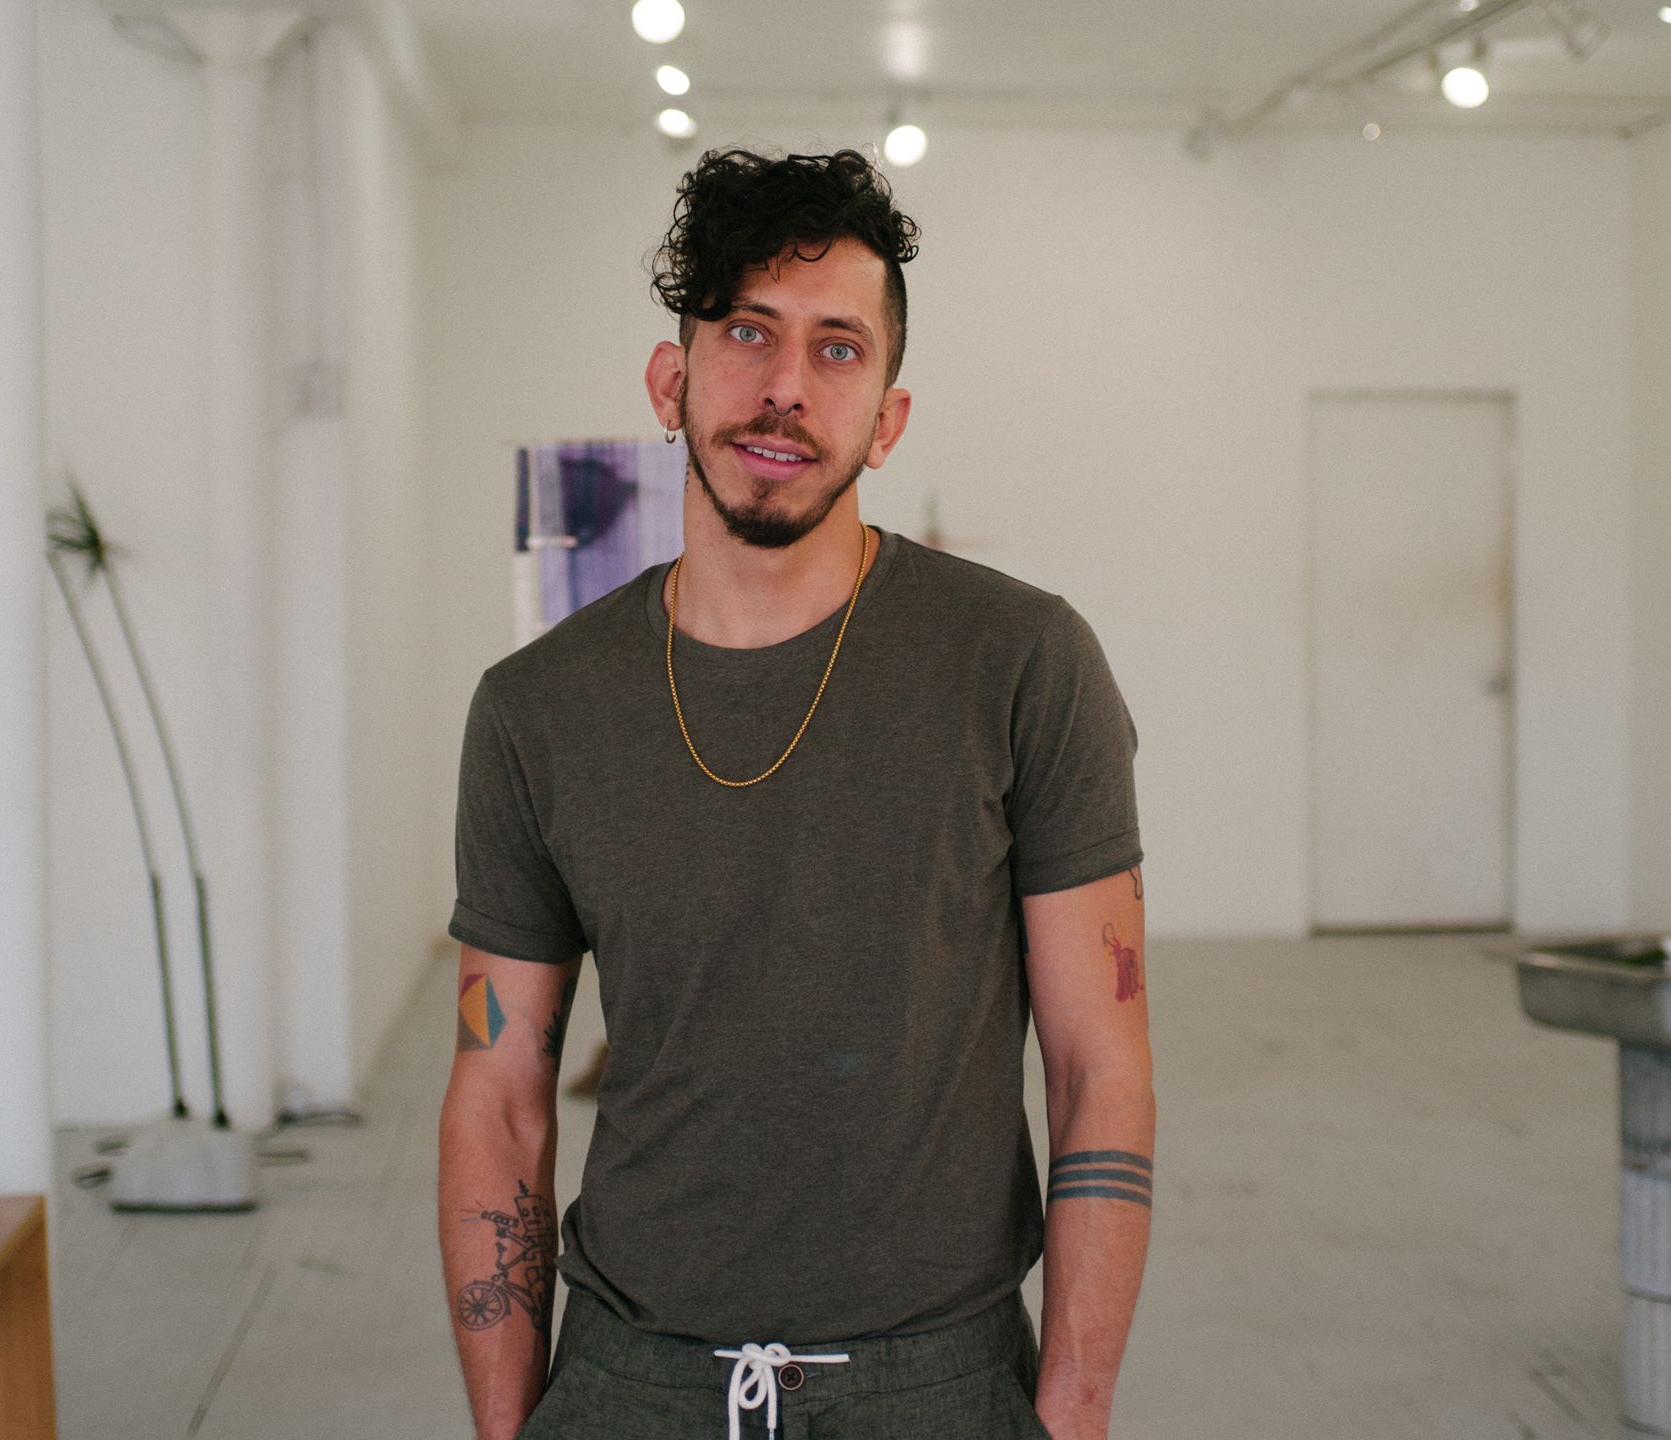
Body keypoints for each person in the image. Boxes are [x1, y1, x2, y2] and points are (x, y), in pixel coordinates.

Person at [437, 146, 1153, 1440]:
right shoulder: (537, 708)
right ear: (672, 379)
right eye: (745, 332)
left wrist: (1075, 1408)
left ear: (888, 415)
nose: (781, 387)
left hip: (933, 1381)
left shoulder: (1022, 664)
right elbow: (497, 1097)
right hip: (631, 1377)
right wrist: (506, 1426)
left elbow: (1099, 1066)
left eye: (836, 349)